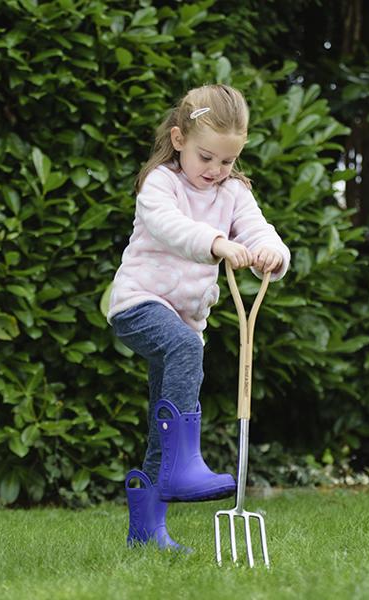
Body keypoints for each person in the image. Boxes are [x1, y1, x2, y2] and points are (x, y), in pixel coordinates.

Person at [107, 84, 290, 550]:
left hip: (184, 320)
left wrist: (271, 253)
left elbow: (258, 229)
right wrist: (216, 243)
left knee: (160, 426)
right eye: (206, 157)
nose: (216, 171)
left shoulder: (233, 192)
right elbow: (170, 228)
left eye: (227, 161)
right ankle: (185, 465)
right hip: (138, 303)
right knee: (185, 348)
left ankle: (147, 534)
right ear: (178, 139)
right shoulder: (160, 184)